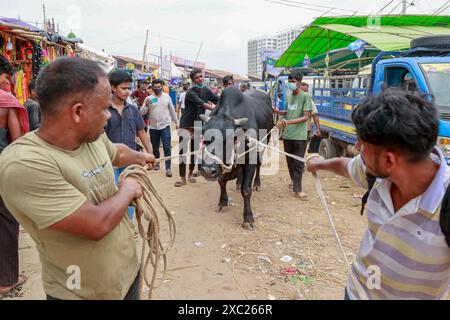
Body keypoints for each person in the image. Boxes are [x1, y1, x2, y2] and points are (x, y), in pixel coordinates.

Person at [0, 57, 156, 300]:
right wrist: (127, 189)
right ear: (78, 112)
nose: (108, 116)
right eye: (104, 108)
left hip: (126, 277)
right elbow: (96, 224)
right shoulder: (24, 164)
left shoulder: (90, 137)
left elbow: (116, 152)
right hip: (81, 291)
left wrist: (142, 155)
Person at [307, 89, 450, 300]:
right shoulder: (377, 174)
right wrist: (318, 164)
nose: (356, 147)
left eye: (361, 143)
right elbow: (345, 165)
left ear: (389, 161)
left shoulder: (445, 205)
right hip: (356, 292)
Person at [105, 70, 153, 220]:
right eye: (123, 88)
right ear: (113, 87)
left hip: (130, 161)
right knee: (111, 194)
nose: (127, 92)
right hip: (108, 161)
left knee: (130, 193)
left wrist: (150, 153)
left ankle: (129, 224)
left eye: (129, 88)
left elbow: (141, 132)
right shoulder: (104, 110)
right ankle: (114, 223)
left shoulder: (132, 110)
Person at [0, 55, 29, 296]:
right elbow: (17, 142)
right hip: (2, 171)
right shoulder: (6, 101)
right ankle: (7, 281)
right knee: (7, 224)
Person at [175, 68, 219, 187]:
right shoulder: (190, 92)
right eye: (197, 78)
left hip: (198, 124)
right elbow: (203, 104)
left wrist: (224, 104)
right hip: (186, 124)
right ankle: (182, 177)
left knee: (194, 152)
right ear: (193, 80)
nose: (200, 79)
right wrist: (217, 110)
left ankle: (189, 175)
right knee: (183, 151)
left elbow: (217, 99)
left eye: (201, 76)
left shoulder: (206, 90)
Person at [273, 71, 311, 200]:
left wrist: (288, 122)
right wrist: (277, 111)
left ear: (299, 82)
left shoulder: (305, 97)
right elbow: (288, 112)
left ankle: (298, 189)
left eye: (293, 81)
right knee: (290, 162)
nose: (291, 84)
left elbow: (306, 117)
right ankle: (294, 182)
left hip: (300, 136)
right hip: (288, 135)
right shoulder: (288, 98)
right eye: (289, 82)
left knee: (298, 162)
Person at [141, 79, 178, 177]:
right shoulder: (149, 99)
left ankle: (168, 168)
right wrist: (146, 105)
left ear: (162, 86)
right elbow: (142, 112)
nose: (157, 89)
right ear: (152, 87)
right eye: (155, 87)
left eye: (159, 87)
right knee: (155, 147)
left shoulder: (167, 97)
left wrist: (176, 122)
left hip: (165, 125)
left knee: (166, 147)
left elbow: (172, 110)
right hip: (153, 127)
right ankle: (157, 162)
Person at [300, 82, 321, 153]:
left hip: (304, 129)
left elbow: (315, 115)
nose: (305, 93)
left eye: (306, 91)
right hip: (293, 129)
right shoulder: (293, 99)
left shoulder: (309, 101)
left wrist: (318, 129)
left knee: (302, 148)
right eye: (303, 91)